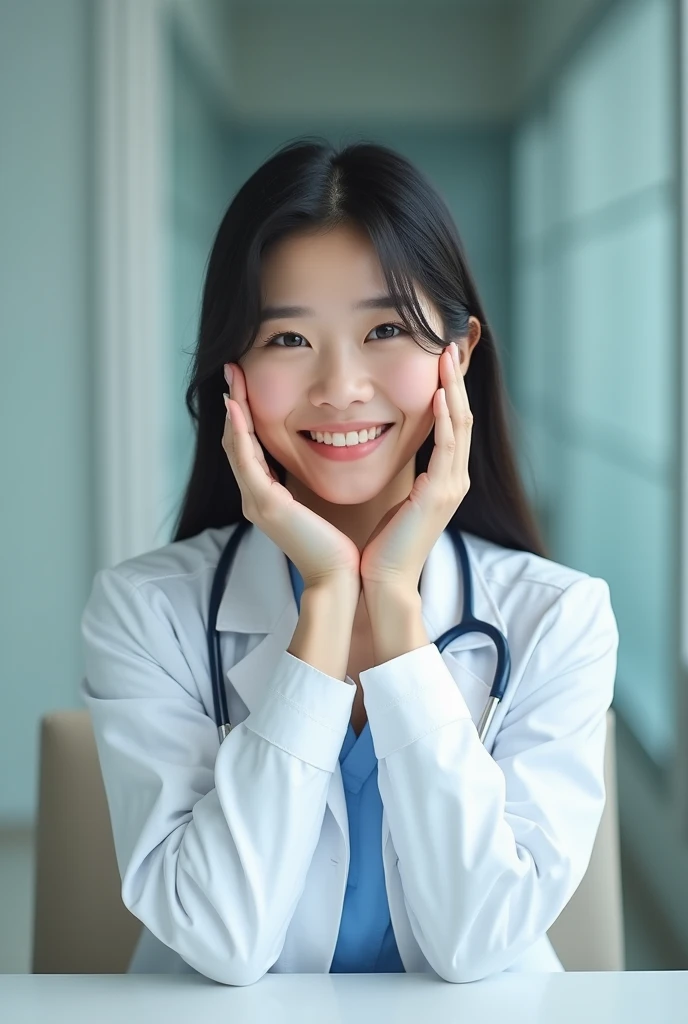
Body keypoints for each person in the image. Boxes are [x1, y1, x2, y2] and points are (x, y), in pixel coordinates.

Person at [80, 138, 618, 986]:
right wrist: (327, 601)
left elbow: (476, 945)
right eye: (287, 338)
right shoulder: (145, 613)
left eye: (385, 329)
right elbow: (223, 941)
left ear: (460, 355)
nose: (340, 386)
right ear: (234, 376)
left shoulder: (560, 617)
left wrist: (395, 610)